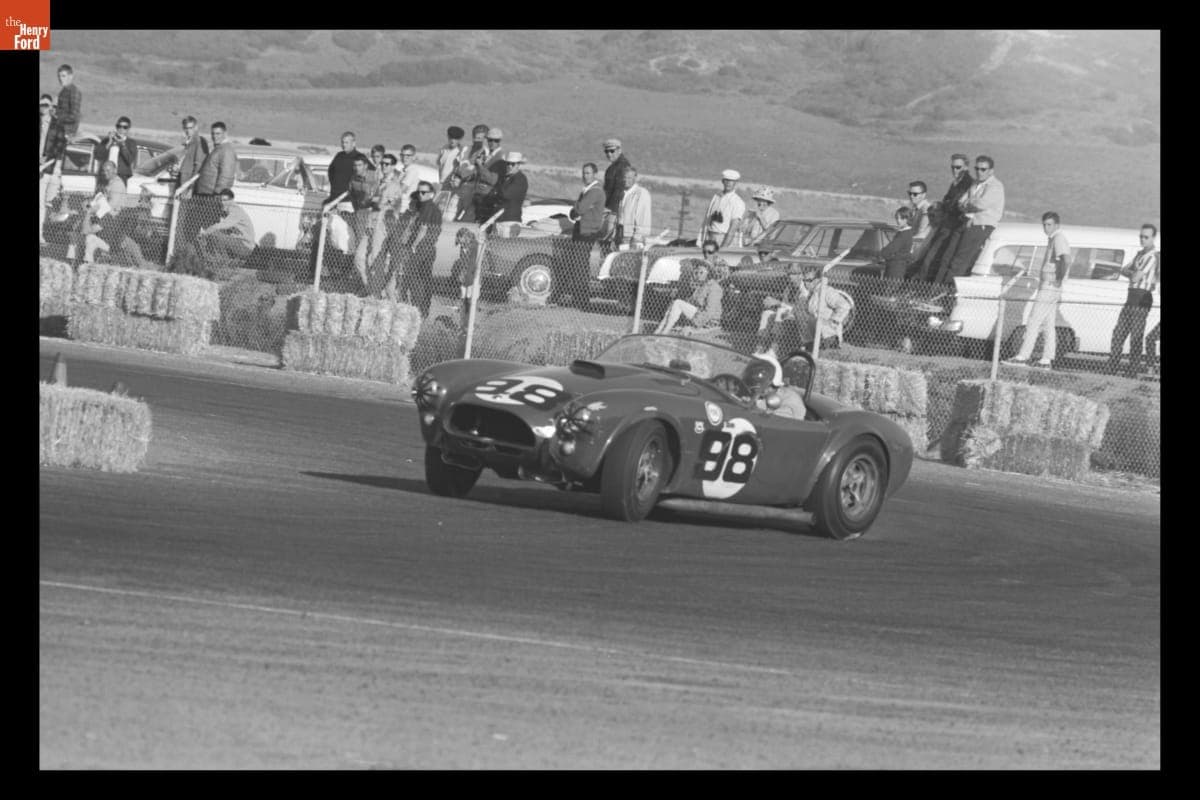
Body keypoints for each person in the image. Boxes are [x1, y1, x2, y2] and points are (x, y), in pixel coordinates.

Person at [1004, 211, 1071, 368]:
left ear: (1056, 225)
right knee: (1048, 324)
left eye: (1049, 225)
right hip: (1049, 285)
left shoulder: (1058, 238)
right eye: (1044, 224)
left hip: (1050, 285)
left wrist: (1058, 279)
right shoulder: (1053, 239)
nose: (1046, 228)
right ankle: (1047, 359)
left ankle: (1023, 356)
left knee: (1034, 320)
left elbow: (1066, 259)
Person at [939, 154, 1004, 281]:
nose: (979, 172)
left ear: (991, 171)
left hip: (980, 225)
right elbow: (960, 202)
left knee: (961, 260)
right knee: (949, 256)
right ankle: (938, 290)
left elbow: (981, 204)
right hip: (967, 221)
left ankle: (949, 294)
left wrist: (968, 203)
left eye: (983, 169)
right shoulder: (975, 184)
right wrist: (969, 204)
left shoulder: (995, 186)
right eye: (977, 169)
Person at [1107, 224, 1160, 376]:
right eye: (1141, 236)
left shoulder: (1151, 256)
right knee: (1118, 334)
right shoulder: (1139, 254)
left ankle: (1132, 370)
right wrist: (1132, 273)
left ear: (1153, 238)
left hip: (1141, 297)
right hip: (1131, 296)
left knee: (1136, 336)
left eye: (1146, 237)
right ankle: (1112, 366)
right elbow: (1123, 269)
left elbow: (1135, 276)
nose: (1142, 239)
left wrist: (1131, 273)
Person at [912, 154, 973, 282]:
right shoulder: (956, 183)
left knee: (936, 259)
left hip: (952, 226)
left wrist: (944, 207)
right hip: (946, 224)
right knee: (930, 257)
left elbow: (956, 204)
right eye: (953, 167)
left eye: (958, 167)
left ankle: (925, 289)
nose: (955, 170)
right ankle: (922, 286)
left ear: (966, 167)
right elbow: (948, 201)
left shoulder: (967, 184)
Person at [555, 162, 606, 306]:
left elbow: (579, 209)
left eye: (588, 173)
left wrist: (576, 208)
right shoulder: (587, 190)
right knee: (578, 265)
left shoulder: (595, 191)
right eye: (584, 173)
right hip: (581, 229)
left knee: (580, 266)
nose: (585, 176)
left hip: (587, 232)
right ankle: (579, 299)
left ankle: (581, 299)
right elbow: (577, 209)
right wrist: (576, 209)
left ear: (594, 174)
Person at [188, 121, 238, 245]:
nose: (215, 136)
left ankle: (205, 258)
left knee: (206, 230)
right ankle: (198, 255)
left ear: (225, 133)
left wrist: (218, 196)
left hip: (212, 198)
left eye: (218, 133)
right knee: (196, 228)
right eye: (213, 133)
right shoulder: (219, 148)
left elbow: (226, 175)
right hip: (205, 196)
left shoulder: (226, 150)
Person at [397, 181, 442, 317]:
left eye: (424, 192)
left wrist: (413, 246)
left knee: (411, 276)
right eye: (419, 192)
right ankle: (423, 309)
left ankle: (414, 307)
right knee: (424, 279)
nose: (420, 195)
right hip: (428, 248)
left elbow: (423, 229)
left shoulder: (428, 207)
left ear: (431, 194)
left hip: (421, 247)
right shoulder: (425, 206)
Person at [73, 160, 127, 264]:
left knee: (87, 235)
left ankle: (82, 264)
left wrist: (93, 209)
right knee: (81, 235)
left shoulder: (117, 184)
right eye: (104, 171)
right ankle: (78, 263)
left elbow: (111, 206)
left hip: (111, 218)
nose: (105, 173)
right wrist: (90, 203)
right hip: (102, 215)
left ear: (115, 170)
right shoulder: (109, 182)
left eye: (108, 170)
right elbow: (101, 200)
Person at [655, 260, 724, 334]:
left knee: (678, 303)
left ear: (708, 274)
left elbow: (710, 312)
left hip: (709, 321)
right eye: (696, 272)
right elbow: (691, 302)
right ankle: (658, 331)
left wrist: (696, 325)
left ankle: (664, 332)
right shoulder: (702, 286)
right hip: (699, 314)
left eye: (701, 273)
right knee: (675, 303)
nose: (698, 275)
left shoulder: (714, 287)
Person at [195, 188, 256, 266]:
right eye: (221, 200)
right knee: (215, 234)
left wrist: (203, 233)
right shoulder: (228, 211)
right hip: (238, 243)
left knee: (214, 233)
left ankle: (223, 261)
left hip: (245, 247)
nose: (222, 202)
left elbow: (219, 226)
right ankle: (223, 260)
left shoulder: (235, 211)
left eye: (225, 200)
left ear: (232, 200)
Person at [39, 94, 68, 245]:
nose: (42, 107)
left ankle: (40, 234)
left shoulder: (57, 125)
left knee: (41, 203)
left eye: (45, 104)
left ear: (50, 107)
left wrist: (46, 158)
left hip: (45, 168)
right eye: (40, 104)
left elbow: (59, 147)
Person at [699, 169, 746, 249]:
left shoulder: (737, 202)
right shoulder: (716, 197)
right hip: (710, 236)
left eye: (731, 181)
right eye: (726, 180)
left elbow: (733, 228)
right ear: (722, 181)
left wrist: (723, 248)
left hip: (723, 238)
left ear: (736, 183)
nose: (728, 183)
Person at [470, 128, 507, 222]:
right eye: (490, 140)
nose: (492, 143)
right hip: (479, 195)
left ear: (500, 141)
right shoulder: (487, 154)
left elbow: (493, 179)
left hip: (487, 198)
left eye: (496, 140)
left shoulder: (500, 159)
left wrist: (480, 166)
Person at [174, 115, 210, 197]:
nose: (188, 131)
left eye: (190, 128)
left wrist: (191, 187)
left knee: (184, 207)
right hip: (182, 180)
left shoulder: (200, 141)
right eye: (186, 128)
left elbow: (199, 166)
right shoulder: (187, 142)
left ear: (196, 127)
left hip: (189, 184)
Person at [616, 165, 652, 246]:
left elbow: (642, 218)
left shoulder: (641, 194)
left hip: (632, 237)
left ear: (635, 178)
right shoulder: (622, 193)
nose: (625, 180)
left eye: (629, 178)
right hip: (620, 233)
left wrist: (637, 238)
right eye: (624, 177)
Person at [877, 206, 915, 281]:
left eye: (902, 218)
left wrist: (885, 254)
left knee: (889, 291)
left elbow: (888, 250)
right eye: (897, 218)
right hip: (898, 268)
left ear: (907, 219)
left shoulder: (904, 234)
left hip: (895, 269)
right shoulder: (907, 233)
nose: (898, 221)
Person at [95, 116, 137, 182]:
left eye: (124, 127)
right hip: (105, 174)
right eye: (119, 126)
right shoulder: (107, 140)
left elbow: (130, 160)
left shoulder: (131, 143)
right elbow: (98, 156)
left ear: (128, 129)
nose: (121, 129)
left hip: (120, 176)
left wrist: (122, 144)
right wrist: (109, 143)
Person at [327, 131, 365, 203]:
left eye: (346, 142)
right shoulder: (339, 156)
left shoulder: (360, 157)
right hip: (334, 196)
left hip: (349, 200)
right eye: (343, 142)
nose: (344, 145)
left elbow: (365, 177)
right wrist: (334, 186)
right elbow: (330, 171)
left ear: (353, 143)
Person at [602, 138, 631, 214]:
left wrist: (610, 209)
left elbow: (619, 190)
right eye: (606, 151)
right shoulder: (613, 167)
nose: (609, 154)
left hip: (614, 211)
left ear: (619, 150)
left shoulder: (623, 166)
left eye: (612, 151)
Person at [55, 65, 82, 138]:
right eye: (59, 76)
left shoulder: (74, 91)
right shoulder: (62, 92)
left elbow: (74, 116)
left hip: (68, 133)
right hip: (59, 130)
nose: (60, 79)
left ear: (71, 76)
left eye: (63, 76)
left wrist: (57, 118)